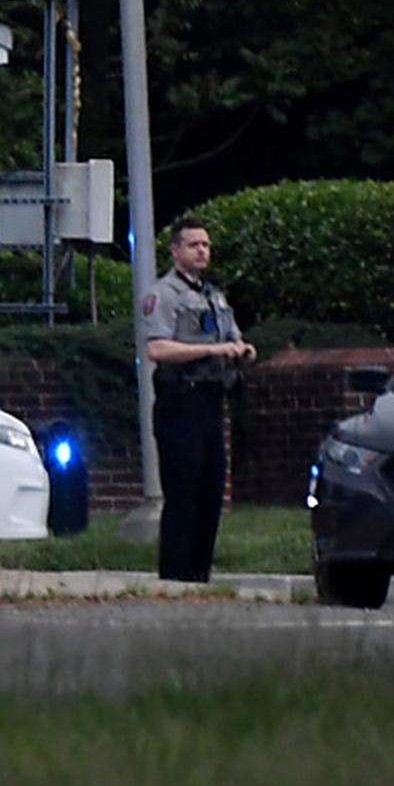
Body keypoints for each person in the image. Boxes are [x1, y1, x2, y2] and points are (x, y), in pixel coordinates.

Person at [141, 217, 256, 582]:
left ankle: (200, 574)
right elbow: (156, 348)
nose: (202, 251)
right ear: (175, 250)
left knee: (210, 491)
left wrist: (241, 351)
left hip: (211, 400)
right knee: (183, 492)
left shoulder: (214, 297)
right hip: (180, 401)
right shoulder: (163, 295)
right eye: (193, 245)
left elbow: (231, 337)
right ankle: (175, 577)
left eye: (206, 244)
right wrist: (210, 350)